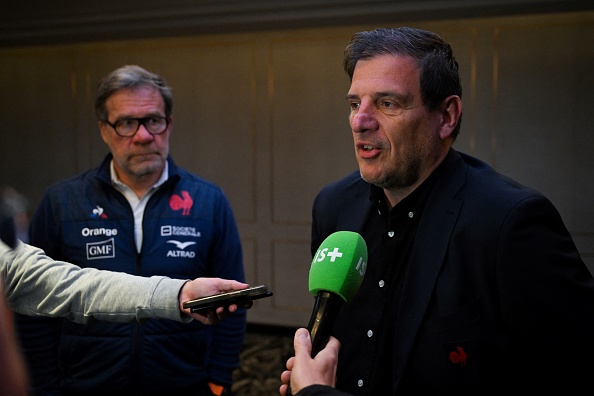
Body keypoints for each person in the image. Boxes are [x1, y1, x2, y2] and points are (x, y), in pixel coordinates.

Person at [280, 27, 594, 395]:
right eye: (354, 104)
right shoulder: (333, 206)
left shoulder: (511, 223)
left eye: (387, 103)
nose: (359, 121)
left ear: (446, 116)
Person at [15, 65, 246, 396]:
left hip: (183, 385)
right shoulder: (61, 203)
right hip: (85, 385)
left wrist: (217, 381)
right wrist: (46, 386)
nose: (142, 135)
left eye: (153, 120)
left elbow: (231, 299)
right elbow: (34, 308)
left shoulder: (207, 200)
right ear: (104, 130)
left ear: (169, 125)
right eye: (125, 123)